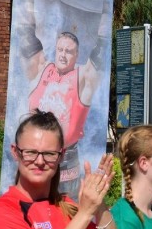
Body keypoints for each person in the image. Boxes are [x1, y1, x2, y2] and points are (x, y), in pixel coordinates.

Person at [23, 31, 101, 198]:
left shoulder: (81, 76)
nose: (63, 55)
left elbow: (97, 60)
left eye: (69, 51)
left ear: (77, 55)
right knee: (35, 208)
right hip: (36, 154)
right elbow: (26, 35)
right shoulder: (43, 69)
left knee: (66, 210)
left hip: (66, 161)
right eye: (60, 50)